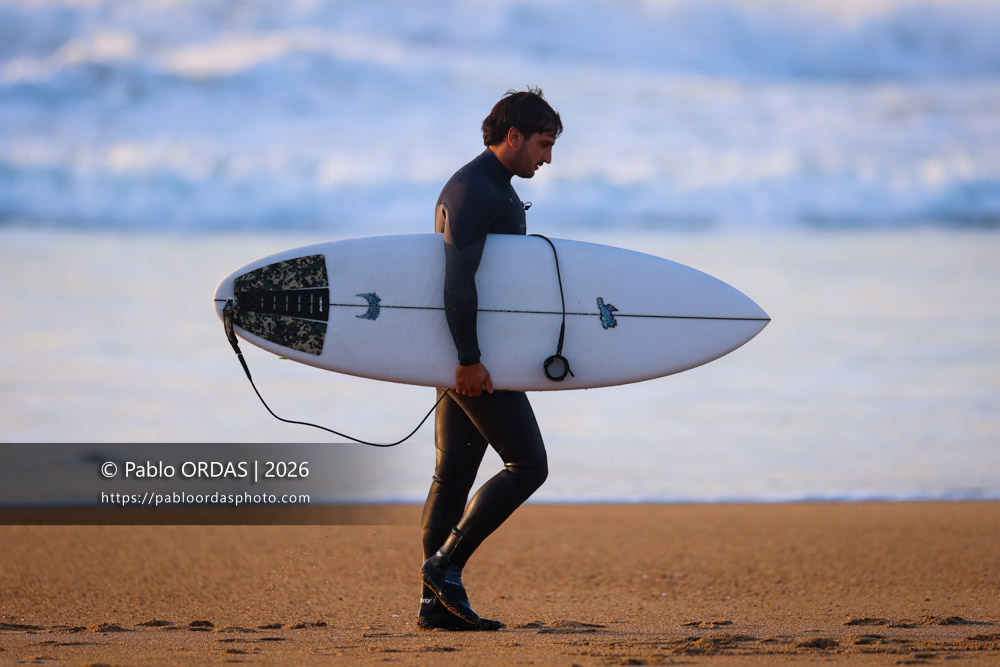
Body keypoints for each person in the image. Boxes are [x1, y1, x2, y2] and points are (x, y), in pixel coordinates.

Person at [417, 88, 563, 631]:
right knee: (528, 466)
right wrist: (469, 359)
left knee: (452, 476)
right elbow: (457, 280)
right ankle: (444, 566)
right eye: (543, 144)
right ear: (514, 136)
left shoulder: (492, 185)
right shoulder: (473, 190)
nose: (547, 158)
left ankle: (434, 607)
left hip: (467, 351)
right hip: (473, 356)